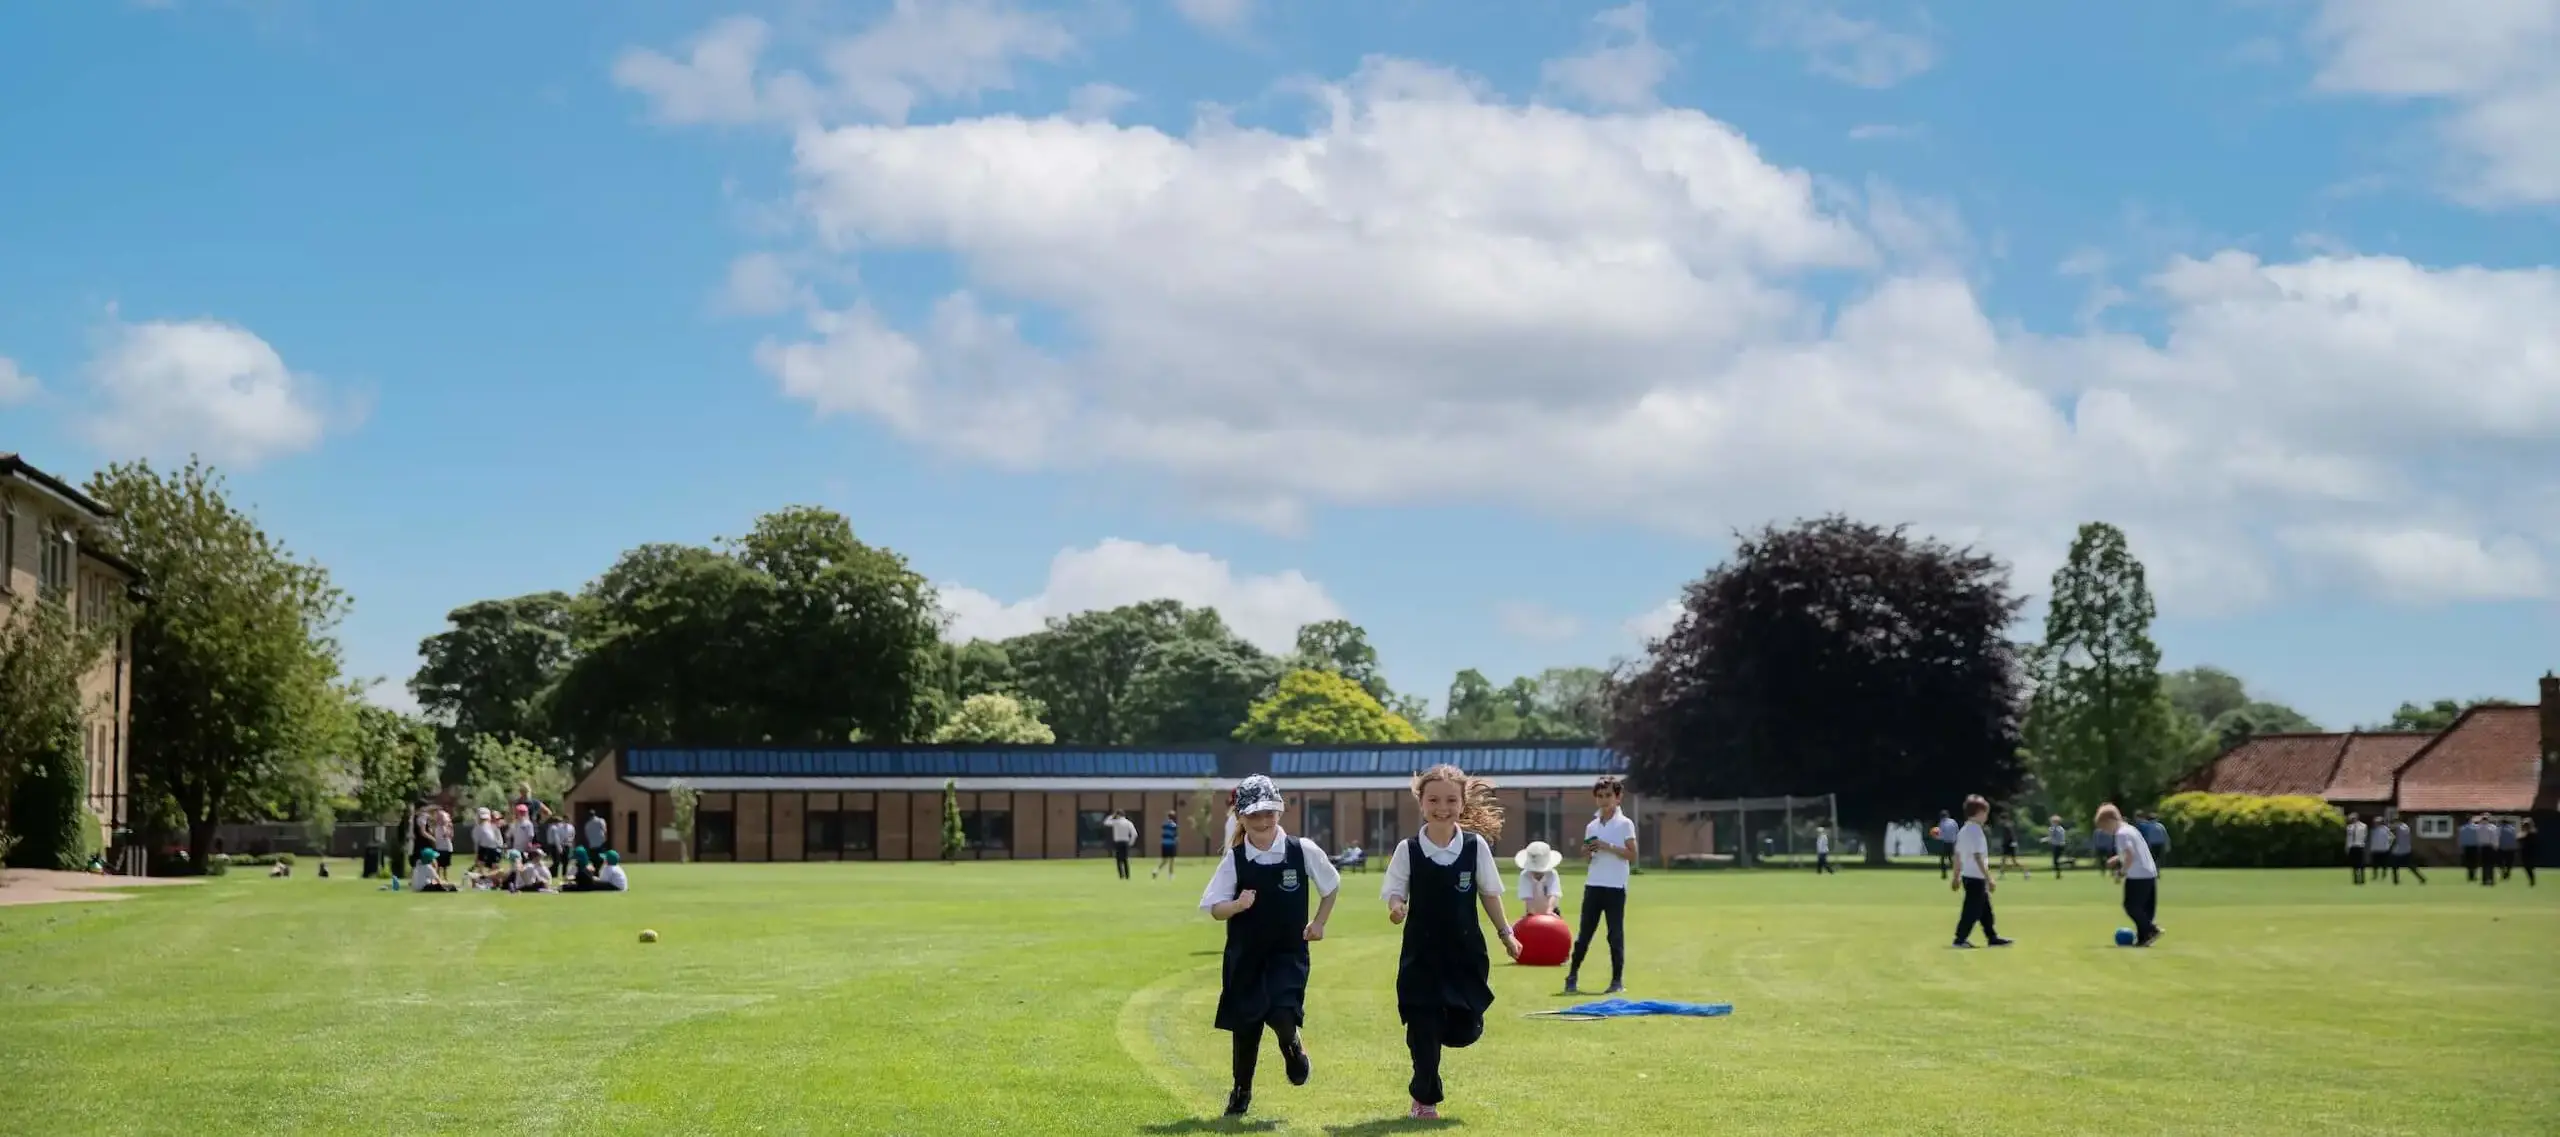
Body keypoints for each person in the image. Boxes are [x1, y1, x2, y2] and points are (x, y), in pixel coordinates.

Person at [1382, 764, 1519, 1122]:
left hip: (1465, 956)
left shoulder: (1476, 848)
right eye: (1433, 800)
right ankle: (1425, 1100)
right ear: (1421, 802)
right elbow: (1395, 892)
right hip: (1421, 956)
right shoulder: (1407, 849)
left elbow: (1490, 894)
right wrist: (1397, 908)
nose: (1441, 807)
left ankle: (1439, 1029)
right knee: (1422, 1027)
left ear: (1462, 803)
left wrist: (1507, 935)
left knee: (1464, 1031)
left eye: (1450, 800)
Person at [1200, 774, 1340, 1119]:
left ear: (1279, 811)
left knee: (1281, 1011)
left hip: (1287, 953)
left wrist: (1319, 922)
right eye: (1254, 815)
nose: (1263, 821)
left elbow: (1331, 885)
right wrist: (1236, 905)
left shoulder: (1301, 850)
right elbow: (1215, 908)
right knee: (1246, 1026)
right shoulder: (1234, 859)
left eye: (1269, 813)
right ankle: (1241, 1090)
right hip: (1245, 956)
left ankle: (1292, 1046)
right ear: (1241, 817)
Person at [1566, 775, 1638, 995]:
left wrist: (1608, 846)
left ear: (1618, 797)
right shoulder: (1592, 826)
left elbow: (1632, 855)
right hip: (1594, 885)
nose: (1604, 800)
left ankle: (1616, 981)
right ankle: (1572, 976)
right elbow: (1588, 857)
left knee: (1614, 934)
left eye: (1608, 795)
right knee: (1584, 934)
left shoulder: (1625, 824)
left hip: (1615, 887)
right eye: (1600, 796)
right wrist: (1586, 852)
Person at [1950, 795, 2010, 948]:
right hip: (1976, 877)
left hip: (1967, 876)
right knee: (1972, 910)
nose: (1986, 817)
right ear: (1978, 812)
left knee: (1985, 910)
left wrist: (1956, 876)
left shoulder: (1963, 830)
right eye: (1985, 813)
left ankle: (1992, 937)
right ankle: (1960, 939)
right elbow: (1978, 857)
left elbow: (1957, 855)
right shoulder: (1976, 831)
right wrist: (1989, 878)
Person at [2097, 803, 2160, 947]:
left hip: (2137, 875)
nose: (2106, 831)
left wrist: (2121, 872)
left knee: (2131, 906)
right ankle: (2144, 938)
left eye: (2105, 827)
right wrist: (2117, 858)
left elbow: (2130, 856)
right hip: (2149, 872)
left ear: (2111, 821)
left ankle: (2151, 929)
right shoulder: (2130, 829)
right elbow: (2133, 852)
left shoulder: (2121, 834)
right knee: (2144, 908)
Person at [1513, 841, 1563, 920]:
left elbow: (1553, 894)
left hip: (1552, 912)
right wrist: (1531, 913)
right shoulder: (1525, 876)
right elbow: (1527, 898)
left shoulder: (1552, 874)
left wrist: (1549, 912)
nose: (1537, 873)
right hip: (1532, 911)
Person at [2390, 817, 2424, 884]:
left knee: (2394, 866)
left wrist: (2391, 846)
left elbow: (2395, 838)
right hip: (2407, 849)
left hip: (2398, 851)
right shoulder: (2406, 827)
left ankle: (2395, 881)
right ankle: (2421, 878)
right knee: (2410, 866)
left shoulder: (2397, 828)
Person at [1153, 811, 1180, 879]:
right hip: (1171, 844)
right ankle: (1170, 875)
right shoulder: (1174, 826)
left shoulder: (1164, 825)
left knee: (1164, 860)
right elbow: (1175, 836)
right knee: (1171, 860)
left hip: (1164, 843)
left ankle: (1156, 870)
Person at [2344, 812, 2368, 885]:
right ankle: (2355, 879)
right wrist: (2347, 847)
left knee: (2361, 864)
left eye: (2353, 818)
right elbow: (2348, 838)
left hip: (2360, 847)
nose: (2352, 820)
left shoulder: (2363, 826)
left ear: (2357, 818)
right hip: (2352, 847)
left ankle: (2362, 879)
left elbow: (2365, 836)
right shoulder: (2349, 827)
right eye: (2351, 819)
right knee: (2354, 865)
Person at [1933, 810, 1957, 878]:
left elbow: (1941, 835)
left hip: (1946, 843)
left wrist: (1936, 837)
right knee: (1951, 859)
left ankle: (1944, 874)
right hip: (1953, 843)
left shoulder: (1942, 823)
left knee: (1943, 859)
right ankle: (1957, 873)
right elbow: (1956, 832)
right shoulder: (1953, 822)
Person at [2497, 817, 2520, 881]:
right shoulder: (2512, 829)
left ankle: (2503, 872)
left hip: (2501, 848)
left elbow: (2496, 838)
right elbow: (2515, 838)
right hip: (2511, 848)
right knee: (2509, 862)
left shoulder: (2499, 829)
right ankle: (2508, 872)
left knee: (2500, 862)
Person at [2517, 819, 2539, 887]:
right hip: (2525, 852)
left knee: (2528, 866)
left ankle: (2532, 880)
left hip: (2530, 852)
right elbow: (2518, 838)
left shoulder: (2532, 833)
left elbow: (2521, 838)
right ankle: (2532, 880)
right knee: (2527, 867)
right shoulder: (2525, 833)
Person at [2459, 815, 2481, 880]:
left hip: (2466, 847)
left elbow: (2461, 839)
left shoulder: (2462, 828)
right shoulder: (2476, 828)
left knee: (2468, 862)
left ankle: (2470, 875)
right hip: (2475, 847)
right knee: (2475, 862)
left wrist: (2461, 846)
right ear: (2471, 820)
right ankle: (2474, 875)